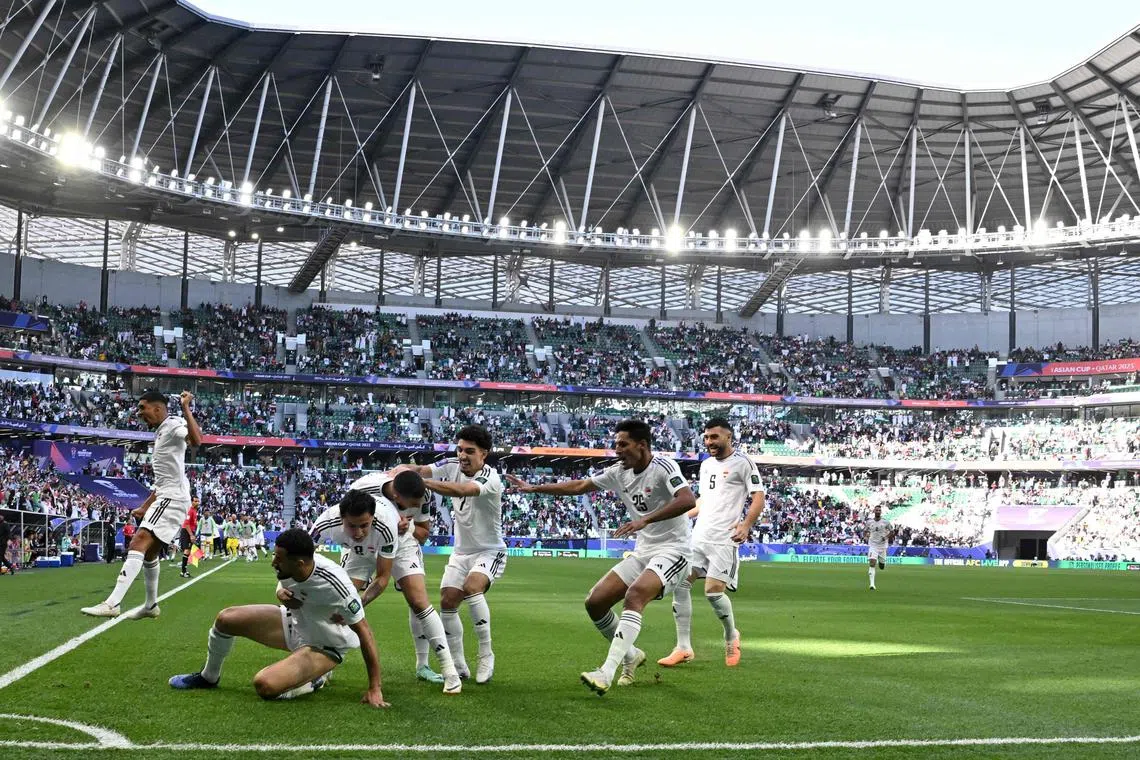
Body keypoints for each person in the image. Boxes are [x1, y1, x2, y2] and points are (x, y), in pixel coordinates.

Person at [507, 419, 696, 696]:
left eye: (623, 444)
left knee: (635, 596)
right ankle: (631, 654)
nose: (616, 450)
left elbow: (687, 500)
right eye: (615, 444)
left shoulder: (664, 467)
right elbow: (580, 486)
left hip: (674, 550)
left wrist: (646, 520)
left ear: (641, 445)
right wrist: (536, 488)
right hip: (644, 550)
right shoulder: (619, 472)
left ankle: (607, 671)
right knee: (595, 602)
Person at [168, 528, 389, 707]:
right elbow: (282, 581)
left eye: (279, 559)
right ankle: (209, 677)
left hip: (326, 645)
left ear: (299, 564)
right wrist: (279, 593)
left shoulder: (338, 587)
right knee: (226, 619)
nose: (273, 562)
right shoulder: (292, 566)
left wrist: (374, 688)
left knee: (265, 685)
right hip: (295, 624)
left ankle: (315, 679)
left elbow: (365, 632)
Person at [82, 390, 202, 618]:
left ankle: (112, 603)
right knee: (149, 554)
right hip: (169, 495)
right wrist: (146, 506)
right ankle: (150, 606)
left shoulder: (173, 424)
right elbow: (162, 483)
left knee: (138, 541)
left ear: (157, 408)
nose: (139, 413)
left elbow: (196, 440)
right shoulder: (161, 431)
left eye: (142, 408)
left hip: (172, 499)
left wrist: (186, 407)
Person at [659, 417, 765, 668]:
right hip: (698, 537)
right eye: (706, 437)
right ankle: (683, 647)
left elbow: (759, 496)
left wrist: (746, 525)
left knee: (713, 592)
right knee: (680, 584)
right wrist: (677, 516)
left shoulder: (744, 463)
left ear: (729, 437)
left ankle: (731, 635)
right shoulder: (705, 465)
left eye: (715, 437)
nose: (709, 442)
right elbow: (703, 500)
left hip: (723, 539)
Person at [407, 425, 504, 685]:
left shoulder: (491, 478)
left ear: (484, 453)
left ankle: (486, 653)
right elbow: (419, 470)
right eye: (460, 449)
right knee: (448, 601)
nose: (462, 455)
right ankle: (459, 663)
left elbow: (463, 491)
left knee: (473, 587)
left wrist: (422, 482)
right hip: (461, 552)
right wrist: (399, 473)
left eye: (470, 451)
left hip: (490, 550)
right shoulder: (451, 465)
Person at [349, 468, 460, 689]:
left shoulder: (422, 493)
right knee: (344, 600)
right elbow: (347, 522)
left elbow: (423, 533)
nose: (418, 506)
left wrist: (407, 525)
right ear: (397, 496)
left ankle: (448, 672)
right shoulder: (363, 489)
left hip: (403, 544)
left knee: (418, 601)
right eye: (413, 504)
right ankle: (324, 665)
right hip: (363, 543)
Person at [865, 505, 893, 591]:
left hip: (882, 546)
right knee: (872, 563)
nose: (878, 511)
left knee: (881, 566)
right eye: (876, 510)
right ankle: (872, 585)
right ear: (874, 511)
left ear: (881, 512)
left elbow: (892, 531)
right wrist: (866, 536)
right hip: (873, 545)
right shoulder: (869, 522)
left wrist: (886, 537)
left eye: (879, 510)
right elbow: (865, 531)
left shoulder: (885, 522)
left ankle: (883, 562)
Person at [179, 493, 200, 578]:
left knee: (188, 552)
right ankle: (183, 572)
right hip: (187, 531)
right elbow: (186, 524)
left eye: (198, 501)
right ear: (192, 502)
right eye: (195, 501)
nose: (197, 503)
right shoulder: (190, 510)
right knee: (187, 551)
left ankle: (184, 571)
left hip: (190, 532)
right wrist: (191, 535)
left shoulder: (195, 511)